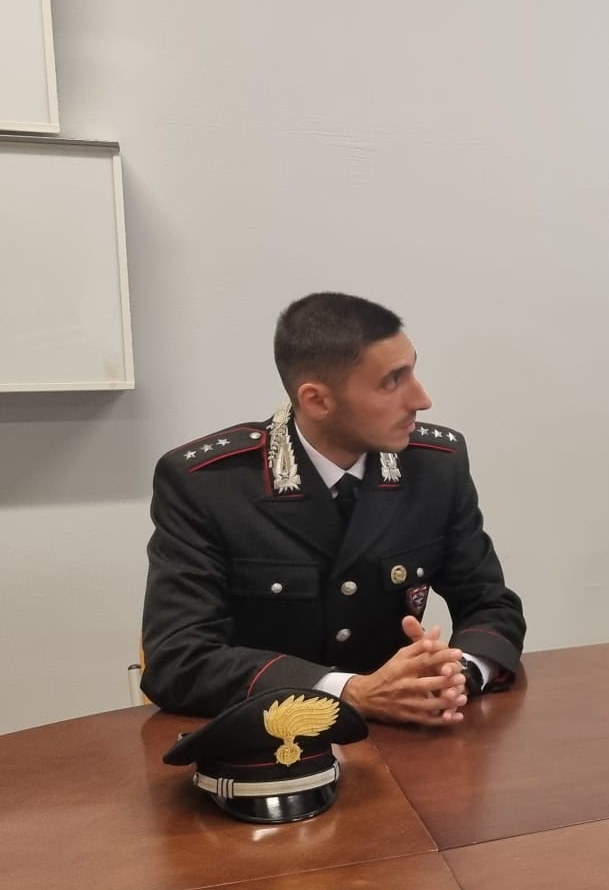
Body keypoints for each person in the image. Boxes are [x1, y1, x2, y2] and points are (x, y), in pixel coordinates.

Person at [141, 292, 526, 724]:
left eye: (413, 370)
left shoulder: (435, 466)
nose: (422, 399)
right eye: (391, 382)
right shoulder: (209, 485)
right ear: (317, 401)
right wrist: (349, 691)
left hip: (405, 736)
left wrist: (458, 673)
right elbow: (178, 658)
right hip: (268, 739)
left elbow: (491, 604)